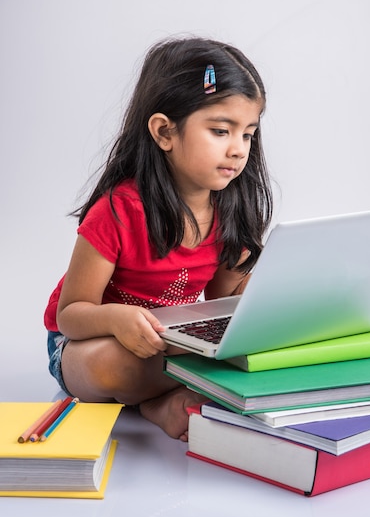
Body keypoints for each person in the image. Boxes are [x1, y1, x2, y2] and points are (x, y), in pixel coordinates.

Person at [44, 36, 273, 441]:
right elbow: (71, 315)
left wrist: (273, 299)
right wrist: (117, 319)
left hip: (170, 345)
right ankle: (167, 395)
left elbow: (225, 303)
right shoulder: (119, 211)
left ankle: (159, 401)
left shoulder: (229, 211)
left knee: (253, 349)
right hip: (88, 343)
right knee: (114, 364)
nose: (239, 150)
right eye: (221, 131)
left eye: (248, 134)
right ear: (165, 132)